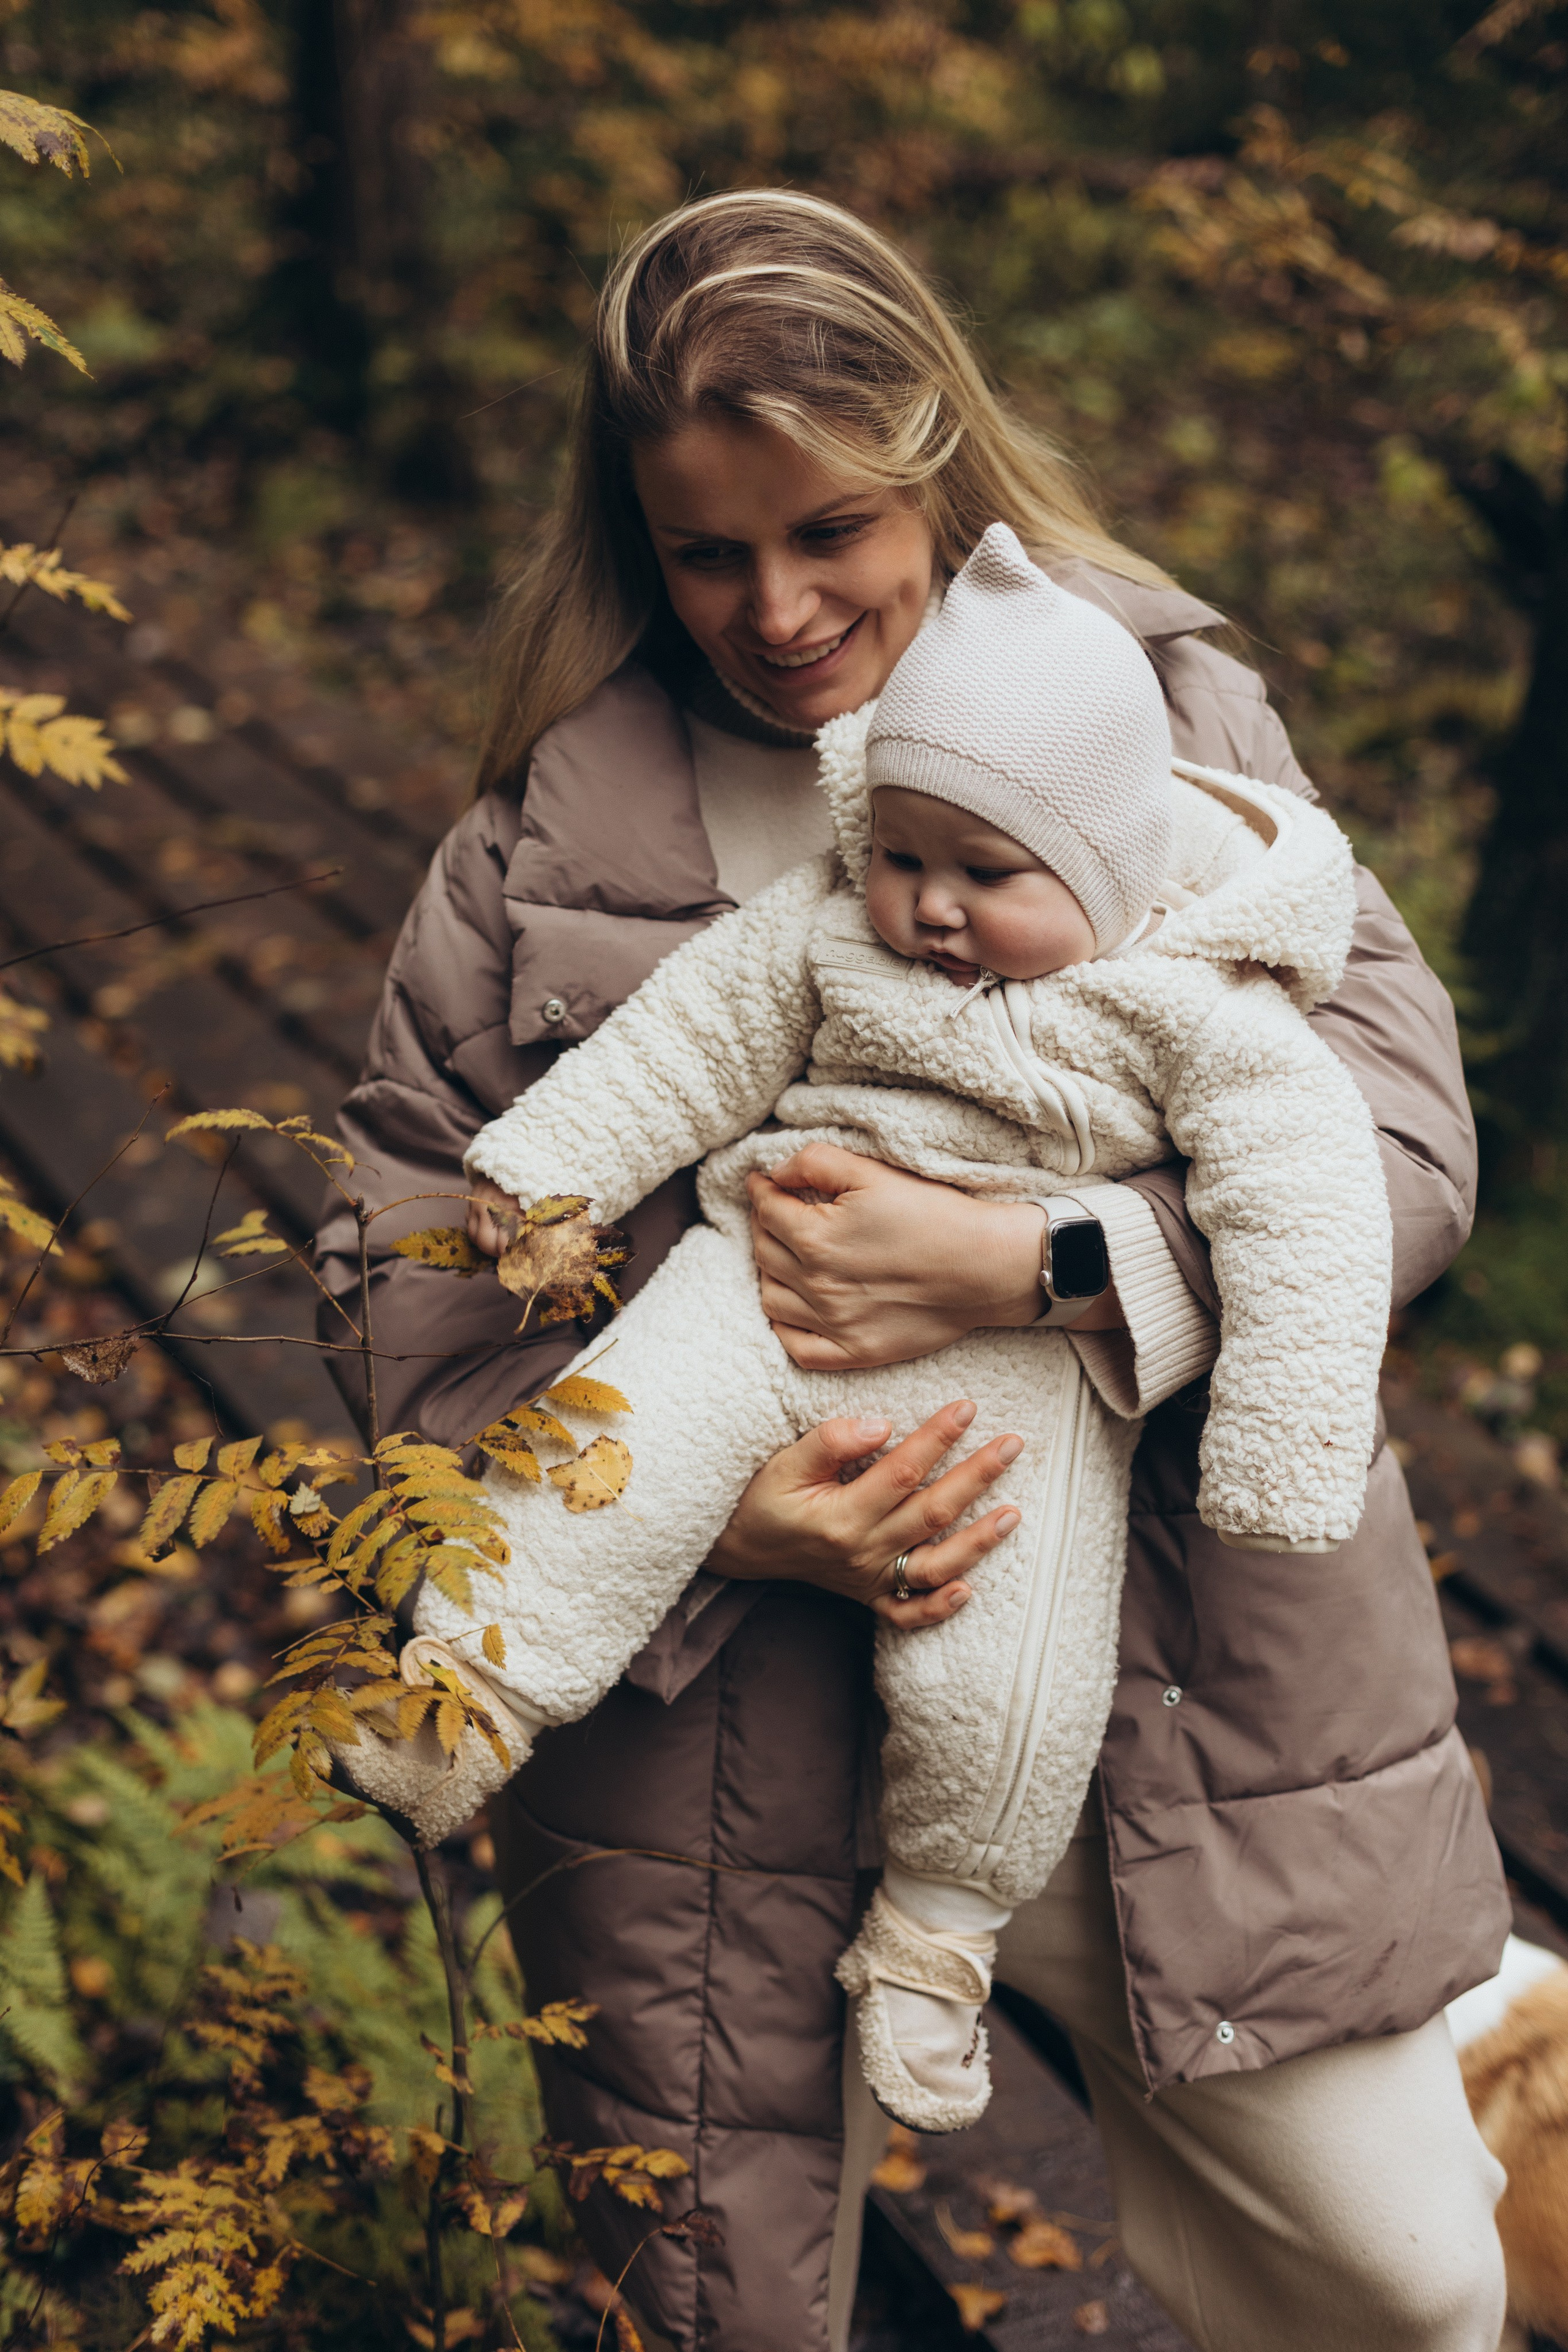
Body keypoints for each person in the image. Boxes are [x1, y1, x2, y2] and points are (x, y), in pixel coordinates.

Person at [317, 189, 1511, 2352]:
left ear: (937, 471)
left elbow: (1395, 1142)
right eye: (706, 551)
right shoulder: (544, 842)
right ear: (637, 541)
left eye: (833, 534)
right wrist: (707, 1512)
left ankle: (1464, 2005)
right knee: (749, 2309)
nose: (774, 611)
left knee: (1407, 2279)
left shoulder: (1152, 710)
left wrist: (1039, 1258)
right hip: (712, 1733)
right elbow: (410, 1263)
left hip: (1161, 1678)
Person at [359, 519, 1392, 2144]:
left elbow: (1316, 1206)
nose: (931, 908)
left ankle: (941, 1934)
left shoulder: (1196, 1009)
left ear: (1113, 872)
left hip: (1018, 1386)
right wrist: (555, 1176)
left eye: (992, 876)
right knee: (603, 1458)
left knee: (1010, 1678)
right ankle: (465, 1690)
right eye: (907, 857)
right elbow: (693, 1035)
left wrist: (1282, 1444)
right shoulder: (831, 918)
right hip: (760, 1279)